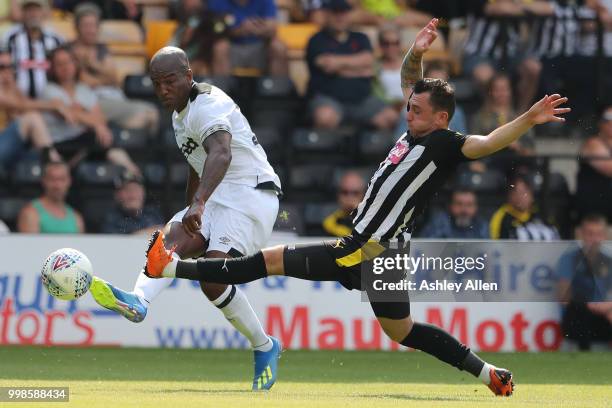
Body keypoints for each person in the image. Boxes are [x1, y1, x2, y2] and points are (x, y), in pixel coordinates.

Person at [144, 19, 570, 396]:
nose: (408, 114)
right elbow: (411, 83)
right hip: (390, 252)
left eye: (417, 111)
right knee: (404, 331)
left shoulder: (447, 144)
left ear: (442, 119)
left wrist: (528, 119)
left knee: (265, 262)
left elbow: (489, 142)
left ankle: (171, 267)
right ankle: (488, 372)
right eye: (408, 107)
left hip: (366, 247)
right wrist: (415, 52)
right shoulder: (418, 128)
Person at [88, 46, 283, 391]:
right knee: (170, 238)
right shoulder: (180, 116)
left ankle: (265, 346)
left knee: (212, 279)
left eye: (170, 81)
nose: (163, 89)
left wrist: (199, 202)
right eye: (156, 83)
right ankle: (139, 300)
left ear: (189, 76)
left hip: (251, 196)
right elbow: (200, 165)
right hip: (219, 196)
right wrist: (189, 211)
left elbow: (220, 153)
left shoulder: (208, 104)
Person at [41, 45, 140, 174]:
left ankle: (132, 173)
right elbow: (70, 115)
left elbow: (99, 118)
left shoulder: (84, 90)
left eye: (69, 62)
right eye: (60, 64)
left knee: (106, 136)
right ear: (53, 69)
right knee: (100, 138)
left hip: (86, 144)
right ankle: (133, 174)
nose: (65, 67)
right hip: (60, 145)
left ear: (75, 64)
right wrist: (92, 121)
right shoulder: (48, 90)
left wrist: (92, 120)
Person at [306, 0, 398, 130]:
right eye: (335, 12)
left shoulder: (361, 38)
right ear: (327, 14)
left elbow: (369, 63)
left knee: (391, 117)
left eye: (343, 12)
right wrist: (358, 67)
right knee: (325, 117)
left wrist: (338, 65)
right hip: (329, 99)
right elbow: (326, 64)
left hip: (362, 100)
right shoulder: (317, 40)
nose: (340, 17)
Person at [69, 3, 159, 134]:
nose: (91, 30)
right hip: (89, 101)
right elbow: (85, 82)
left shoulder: (101, 48)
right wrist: (104, 77)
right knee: (145, 114)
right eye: (86, 26)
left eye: (94, 26)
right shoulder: (70, 50)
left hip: (111, 95)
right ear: (77, 27)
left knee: (152, 113)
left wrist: (93, 64)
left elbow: (115, 79)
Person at [0, 48, 65, 169]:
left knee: (34, 121)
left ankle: (53, 166)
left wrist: (11, 86)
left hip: (10, 145)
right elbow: (20, 104)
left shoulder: (10, 85)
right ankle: (56, 164)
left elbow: (23, 106)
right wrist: (52, 105)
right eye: (2, 67)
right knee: (32, 118)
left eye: (10, 66)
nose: (7, 71)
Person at [557, 214, 612, 350]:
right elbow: (563, 297)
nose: (594, 239)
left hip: (602, 321)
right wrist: (591, 305)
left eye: (598, 234)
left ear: (605, 236)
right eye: (590, 234)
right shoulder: (570, 258)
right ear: (581, 235)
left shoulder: (608, 261)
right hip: (577, 318)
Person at [207, 0, 288, 76]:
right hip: (232, 46)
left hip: (260, 46)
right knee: (220, 47)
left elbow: (272, 28)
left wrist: (258, 29)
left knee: (278, 47)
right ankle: (223, 89)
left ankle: (278, 89)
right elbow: (214, 30)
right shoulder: (218, 1)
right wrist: (239, 30)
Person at [2, 0, 63, 98]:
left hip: (52, 101)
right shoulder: (10, 38)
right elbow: (3, 70)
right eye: (29, 10)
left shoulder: (55, 39)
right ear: (23, 13)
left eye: (36, 10)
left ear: (43, 13)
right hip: (18, 100)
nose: (33, 14)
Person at [17, 160, 85, 233]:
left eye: (62, 179)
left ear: (69, 181)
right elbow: (28, 244)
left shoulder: (77, 218)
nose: (57, 185)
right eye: (52, 179)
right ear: (44, 181)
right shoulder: (30, 213)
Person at [489, 175, 559, 240]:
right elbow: (496, 246)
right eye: (517, 193)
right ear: (510, 196)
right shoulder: (501, 217)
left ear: (532, 195)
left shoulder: (542, 214)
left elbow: (556, 239)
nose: (521, 197)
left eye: (524, 192)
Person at [576, 106, 612, 223]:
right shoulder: (593, 143)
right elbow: (608, 168)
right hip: (594, 209)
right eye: (608, 119)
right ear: (600, 123)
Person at [101, 169, 164, 235]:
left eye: (136, 190)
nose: (133, 195)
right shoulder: (111, 218)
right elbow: (113, 242)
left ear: (144, 193)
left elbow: (164, 235)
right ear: (117, 195)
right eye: (128, 190)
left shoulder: (152, 214)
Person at [420, 188, 489, 239]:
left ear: (476, 207)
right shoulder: (438, 223)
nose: (464, 210)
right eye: (459, 204)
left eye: (469, 204)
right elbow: (427, 249)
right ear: (450, 206)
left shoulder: (482, 225)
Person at [322, 171, 365, 237]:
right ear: (338, 195)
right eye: (345, 192)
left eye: (355, 193)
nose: (349, 197)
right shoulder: (330, 222)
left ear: (364, 196)